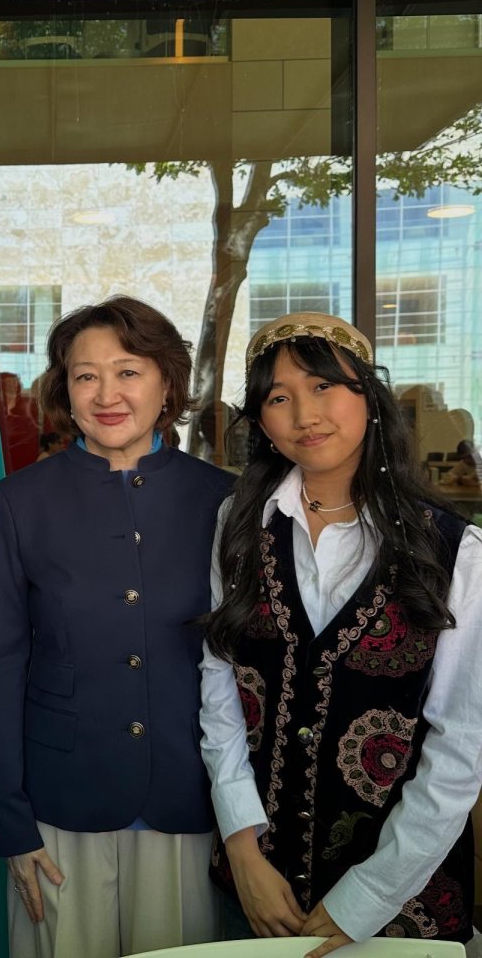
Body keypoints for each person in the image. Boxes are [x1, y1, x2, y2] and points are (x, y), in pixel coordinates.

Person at [200, 311, 482, 957]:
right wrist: (242, 847)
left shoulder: (455, 550)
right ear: (261, 420)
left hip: (401, 899)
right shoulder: (238, 523)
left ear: (369, 396)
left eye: (324, 385)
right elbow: (219, 685)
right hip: (258, 884)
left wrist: (369, 897)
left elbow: (460, 745)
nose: (305, 414)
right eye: (279, 397)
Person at [0, 295, 234, 958]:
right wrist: (11, 821)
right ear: (65, 389)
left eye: (128, 372)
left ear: (167, 383)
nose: (106, 394)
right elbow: (2, 665)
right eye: (85, 375)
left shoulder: (224, 499)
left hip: (188, 795)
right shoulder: (20, 501)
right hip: (60, 802)